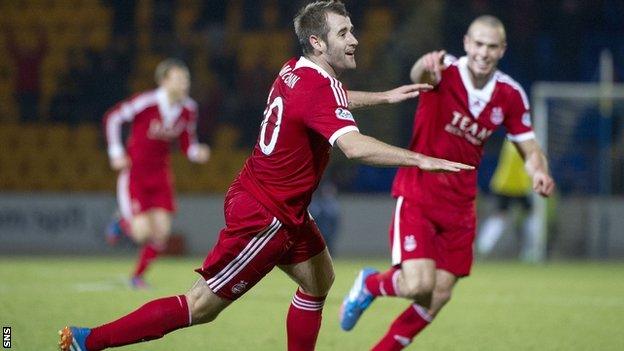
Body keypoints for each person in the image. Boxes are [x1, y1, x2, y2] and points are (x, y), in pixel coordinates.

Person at [58, 2, 473, 350]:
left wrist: (382, 96)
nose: (354, 40)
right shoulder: (317, 88)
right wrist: (421, 159)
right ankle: (86, 340)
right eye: (344, 33)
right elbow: (353, 146)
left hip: (276, 203)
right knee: (200, 306)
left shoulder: (296, 69)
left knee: (319, 279)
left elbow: (330, 99)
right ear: (317, 42)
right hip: (266, 215)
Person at [340, 15, 555, 350]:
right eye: (478, 44)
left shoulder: (510, 95)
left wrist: (538, 170)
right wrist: (422, 67)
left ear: (502, 50)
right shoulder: (444, 71)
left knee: (437, 295)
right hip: (419, 195)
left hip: (461, 206)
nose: (484, 52)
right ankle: (370, 284)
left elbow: (528, 146)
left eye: (492, 46)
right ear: (467, 43)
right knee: (417, 286)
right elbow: (419, 76)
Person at [102, 58, 210, 288]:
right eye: (180, 79)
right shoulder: (146, 102)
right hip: (136, 173)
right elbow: (112, 118)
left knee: (162, 232)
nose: (185, 84)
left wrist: (196, 152)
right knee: (142, 234)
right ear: (163, 81)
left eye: (187, 79)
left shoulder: (189, 108)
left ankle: (136, 277)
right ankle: (121, 222)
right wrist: (116, 152)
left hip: (161, 174)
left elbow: (187, 143)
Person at [477, 139, 537, 260]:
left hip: (508, 185)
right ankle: (483, 248)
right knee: (523, 215)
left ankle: (483, 248)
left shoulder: (511, 141)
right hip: (514, 185)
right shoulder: (520, 142)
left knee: (520, 215)